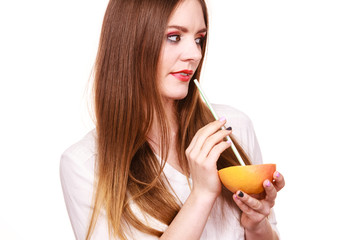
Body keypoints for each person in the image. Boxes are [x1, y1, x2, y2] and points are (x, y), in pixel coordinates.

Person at [60, 0, 285, 239]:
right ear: (130, 42)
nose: (195, 54)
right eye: (174, 37)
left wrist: (256, 226)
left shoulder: (233, 127)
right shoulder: (85, 164)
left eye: (199, 39)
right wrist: (201, 195)